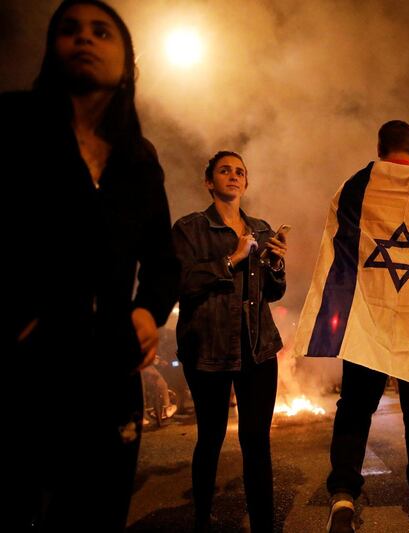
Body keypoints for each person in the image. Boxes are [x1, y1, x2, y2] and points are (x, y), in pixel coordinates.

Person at [5, 1, 180, 530]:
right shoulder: (14, 127)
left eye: (101, 32)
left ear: (126, 63)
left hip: (110, 370)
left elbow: (162, 261)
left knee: (95, 513)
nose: (84, 39)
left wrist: (149, 311)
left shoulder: (138, 159)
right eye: (69, 30)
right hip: (24, 368)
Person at [294, 120, 409, 532]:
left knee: (355, 410)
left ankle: (343, 493)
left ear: (379, 148)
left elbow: (338, 249)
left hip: (368, 321)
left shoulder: (357, 186)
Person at [173, 151, 288, 532]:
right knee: (211, 437)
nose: (233, 176)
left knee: (256, 441)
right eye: (225, 171)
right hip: (208, 350)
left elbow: (274, 293)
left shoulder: (260, 227)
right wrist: (232, 259)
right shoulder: (190, 228)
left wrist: (275, 263)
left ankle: (263, 525)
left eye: (240, 172)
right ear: (209, 182)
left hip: (257, 349)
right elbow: (182, 283)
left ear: (246, 183)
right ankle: (202, 519)